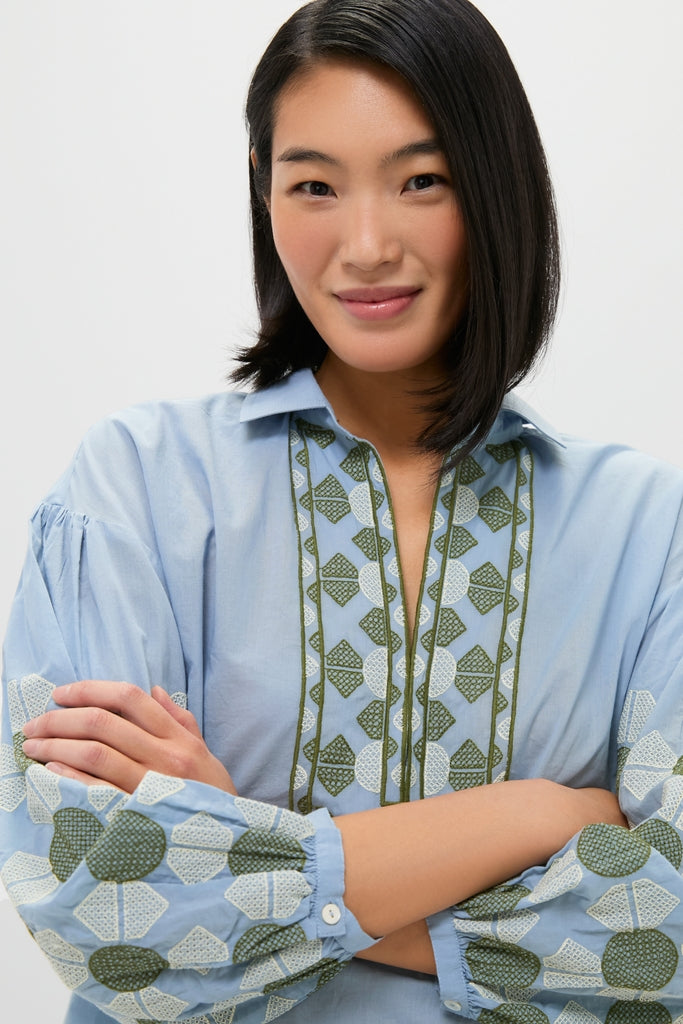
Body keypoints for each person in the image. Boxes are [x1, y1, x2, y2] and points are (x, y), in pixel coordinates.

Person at [2, 0, 682, 1021]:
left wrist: (236, 843)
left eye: (420, 181)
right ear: (262, 195)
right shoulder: (136, 487)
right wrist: (530, 814)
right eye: (313, 185)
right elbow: (98, 907)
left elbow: (664, 935)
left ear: (493, 189)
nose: (364, 245)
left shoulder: (645, 530)